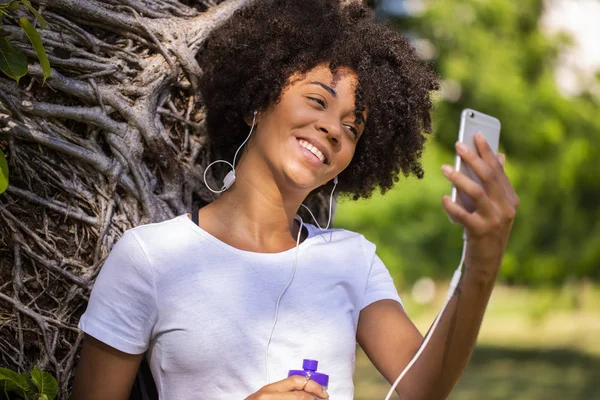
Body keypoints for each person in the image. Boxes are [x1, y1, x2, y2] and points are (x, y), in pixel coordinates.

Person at [71, 1, 519, 399]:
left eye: (352, 127)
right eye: (317, 101)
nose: (332, 129)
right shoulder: (150, 258)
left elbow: (424, 387)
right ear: (256, 102)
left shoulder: (353, 260)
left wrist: (482, 263)